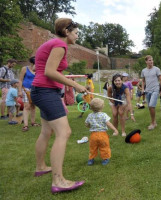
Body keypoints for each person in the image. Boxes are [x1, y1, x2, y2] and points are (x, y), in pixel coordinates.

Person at [30, 18, 87, 194]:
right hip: (45, 92)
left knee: (47, 131)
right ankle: (59, 180)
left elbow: (47, 70)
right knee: (64, 132)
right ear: (66, 31)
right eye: (76, 33)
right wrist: (76, 85)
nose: (77, 36)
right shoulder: (59, 45)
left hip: (42, 91)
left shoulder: (53, 44)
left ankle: (41, 166)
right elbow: (50, 72)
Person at [85, 98, 118, 166]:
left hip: (93, 135)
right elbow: (108, 123)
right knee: (104, 147)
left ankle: (91, 160)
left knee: (92, 148)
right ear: (102, 107)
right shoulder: (103, 115)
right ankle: (105, 159)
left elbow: (87, 124)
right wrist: (115, 130)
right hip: (103, 135)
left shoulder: (90, 115)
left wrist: (89, 126)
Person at [141, 55, 161, 130]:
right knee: (150, 108)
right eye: (150, 60)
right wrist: (143, 89)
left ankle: (153, 123)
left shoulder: (156, 69)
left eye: (152, 60)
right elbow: (143, 81)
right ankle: (154, 121)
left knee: (151, 106)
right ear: (146, 61)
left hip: (155, 89)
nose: (151, 61)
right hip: (148, 90)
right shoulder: (143, 71)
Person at [18, 56, 40, 131]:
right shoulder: (25, 68)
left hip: (35, 89)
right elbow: (20, 80)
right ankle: (25, 125)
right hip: (26, 89)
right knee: (27, 106)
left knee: (33, 107)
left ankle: (33, 122)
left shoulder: (39, 69)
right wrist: (20, 91)